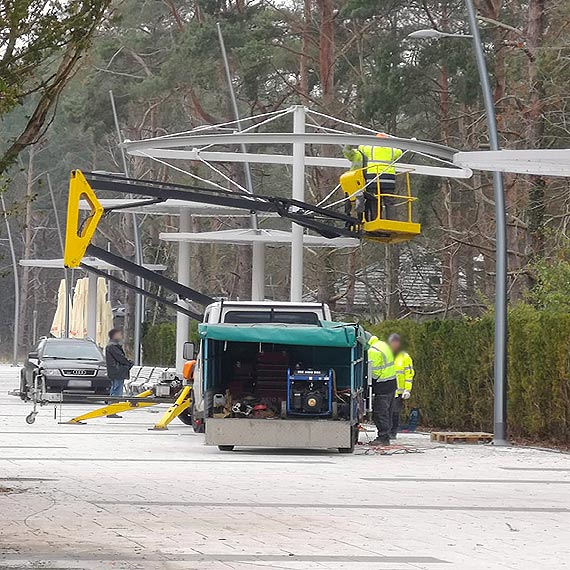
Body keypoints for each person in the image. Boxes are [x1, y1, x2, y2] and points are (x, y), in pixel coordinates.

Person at [343, 133, 403, 221]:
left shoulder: (369, 149)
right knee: (389, 202)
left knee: (374, 201)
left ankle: (375, 220)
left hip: (372, 180)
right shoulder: (393, 150)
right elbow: (400, 152)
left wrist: (353, 139)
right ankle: (392, 221)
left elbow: (360, 148)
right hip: (389, 181)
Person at [367, 333, 397, 446]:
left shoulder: (372, 351)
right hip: (391, 383)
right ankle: (387, 435)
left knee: (380, 413)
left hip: (382, 385)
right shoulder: (383, 345)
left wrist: (370, 387)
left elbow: (374, 373)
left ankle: (383, 438)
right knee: (387, 412)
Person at [389, 333, 415, 438]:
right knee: (386, 413)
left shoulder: (405, 357)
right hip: (388, 389)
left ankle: (392, 432)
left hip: (398, 392)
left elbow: (409, 374)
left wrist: (407, 390)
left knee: (395, 413)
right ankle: (387, 432)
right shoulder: (388, 355)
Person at [105, 328, 133, 418]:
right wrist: (129, 363)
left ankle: (111, 409)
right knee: (117, 390)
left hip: (116, 371)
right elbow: (120, 358)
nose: (121, 336)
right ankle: (112, 410)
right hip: (118, 371)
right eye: (119, 334)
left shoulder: (112, 346)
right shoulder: (113, 346)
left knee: (115, 389)